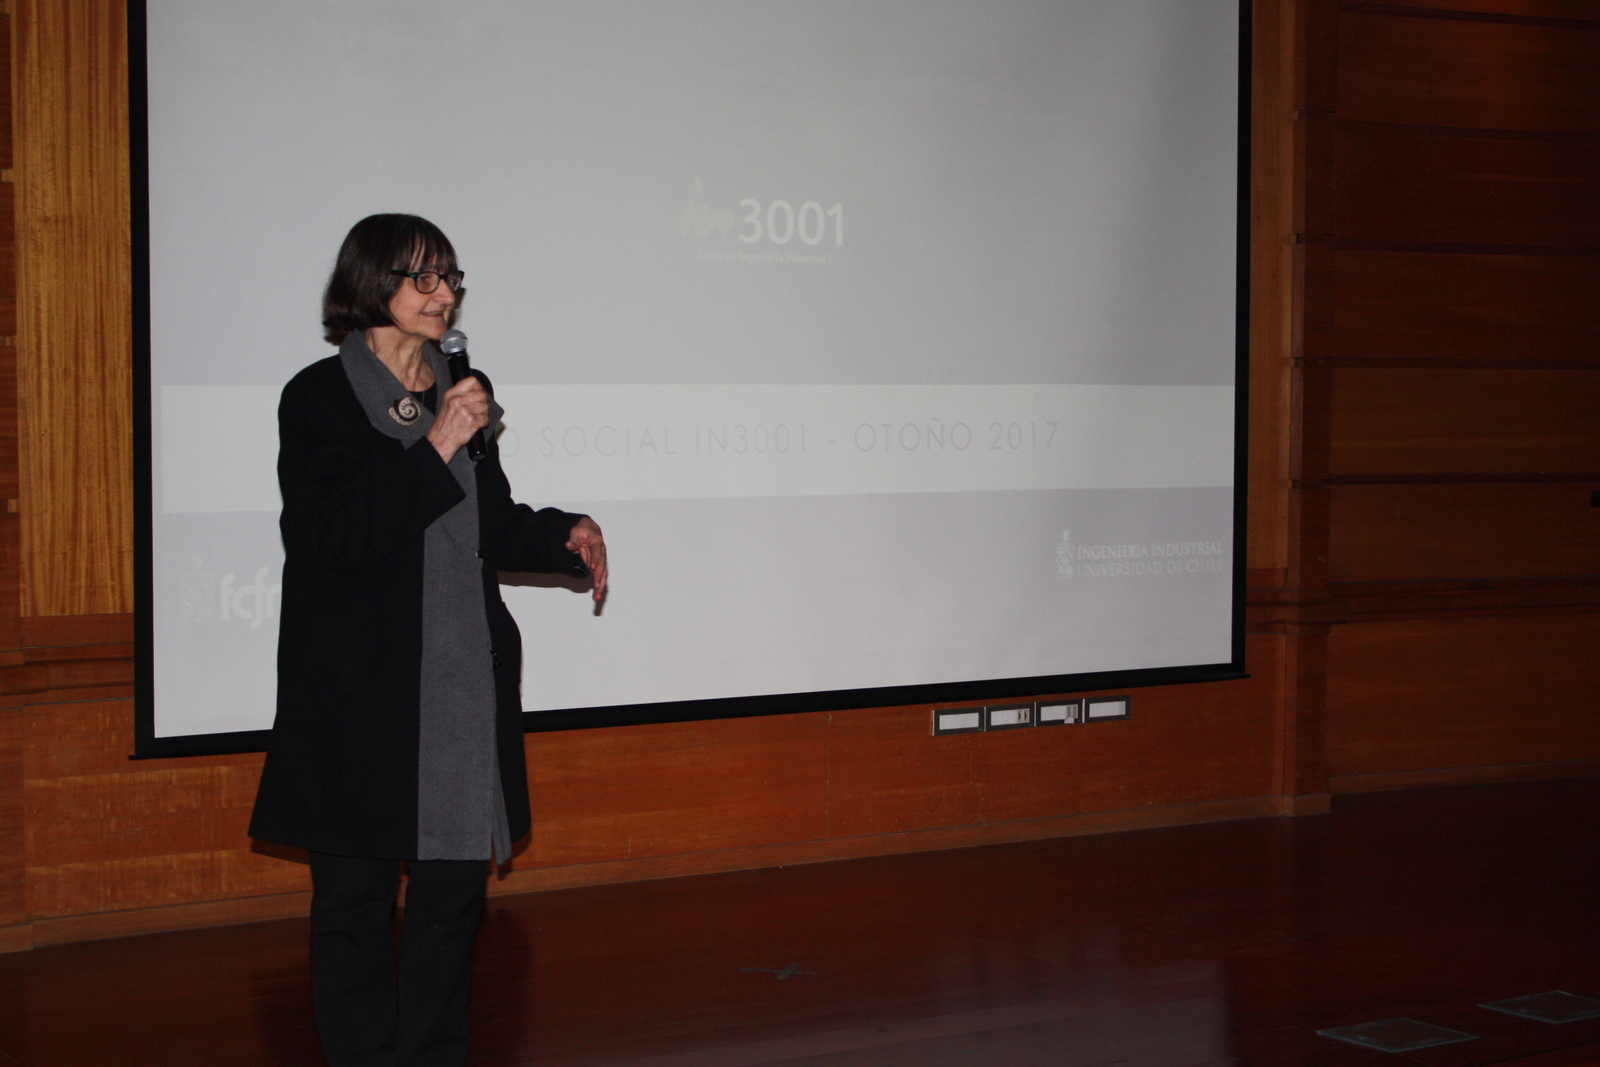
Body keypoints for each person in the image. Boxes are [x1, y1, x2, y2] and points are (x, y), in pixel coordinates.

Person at [249, 213, 607, 1067]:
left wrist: (563, 534)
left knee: (451, 904)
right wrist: (439, 439)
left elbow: (487, 521)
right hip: (359, 697)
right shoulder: (319, 397)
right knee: (354, 905)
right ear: (373, 284)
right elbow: (336, 537)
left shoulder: (462, 384)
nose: (444, 293)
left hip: (456, 687)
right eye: (425, 277)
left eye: (450, 277)